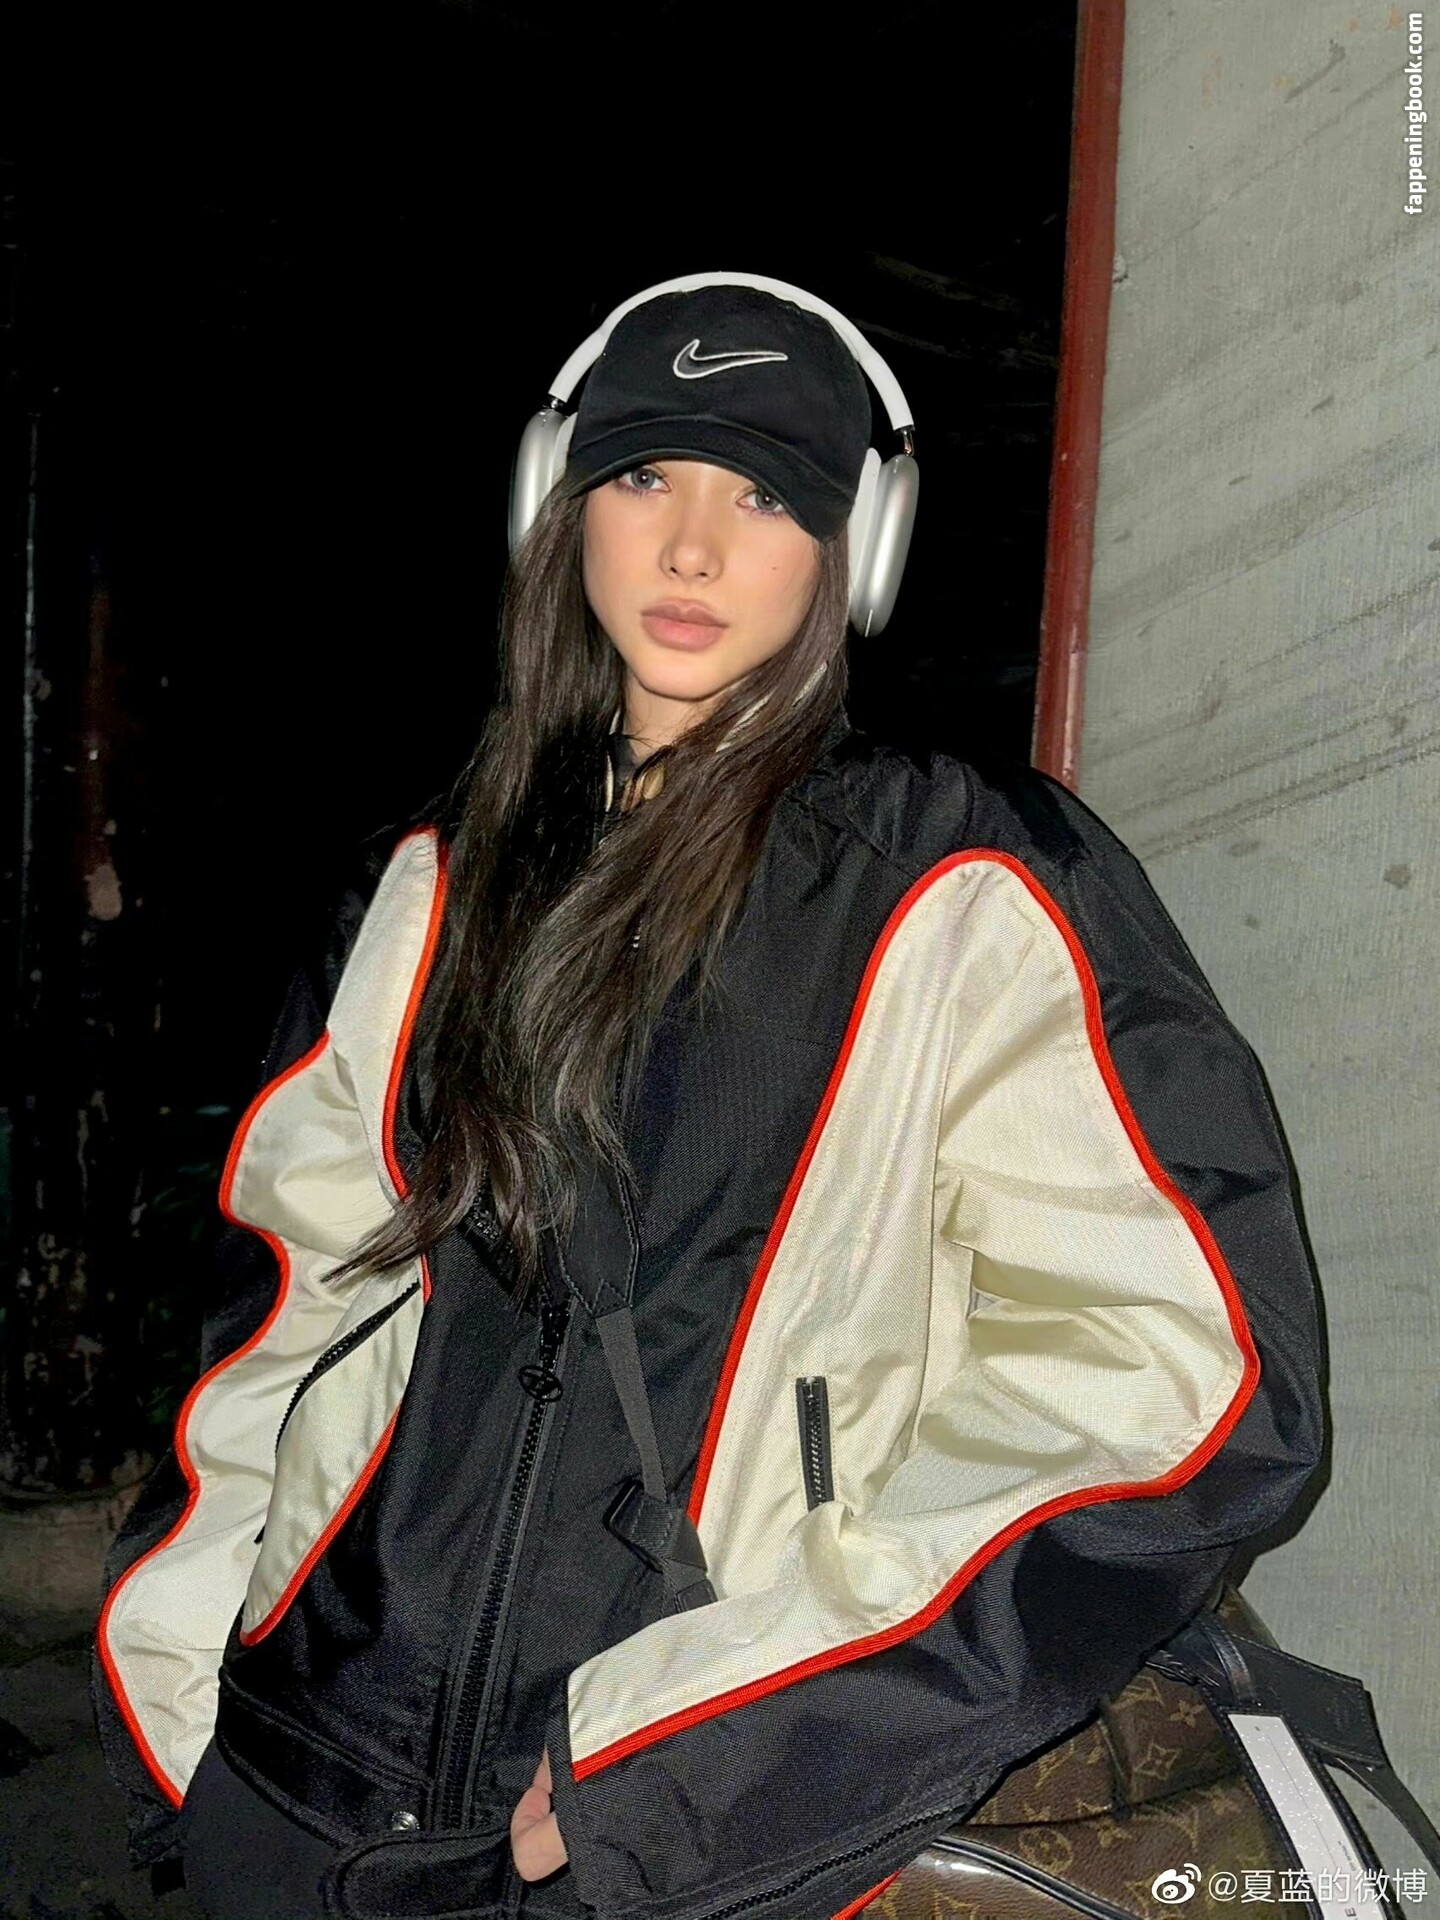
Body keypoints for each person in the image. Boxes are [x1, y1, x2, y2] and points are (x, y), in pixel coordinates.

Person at [92, 276, 1326, 1920]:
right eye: (645, 474)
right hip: (297, 1781)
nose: (690, 547)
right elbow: (282, 1299)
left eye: (765, 495)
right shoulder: (436, 878)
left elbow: (1179, 1391)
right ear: (559, 503)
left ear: (854, 549)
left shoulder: (965, 885)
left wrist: (697, 1754)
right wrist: (182, 1689)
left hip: (661, 1843)